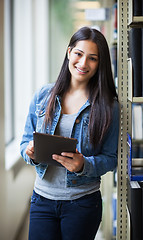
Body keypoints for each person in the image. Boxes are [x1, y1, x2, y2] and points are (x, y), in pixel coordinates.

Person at [20, 26, 119, 240]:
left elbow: (112, 159)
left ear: (100, 63)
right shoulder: (43, 95)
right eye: (79, 54)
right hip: (42, 201)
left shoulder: (109, 106)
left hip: (82, 204)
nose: (83, 63)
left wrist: (84, 165)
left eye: (93, 58)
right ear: (69, 53)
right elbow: (25, 141)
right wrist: (30, 152)